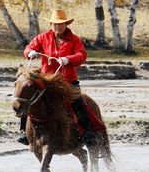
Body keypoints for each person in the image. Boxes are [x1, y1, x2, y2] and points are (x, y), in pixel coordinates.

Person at [19, 9, 94, 145]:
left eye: (60, 24)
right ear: (51, 25)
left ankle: (88, 132)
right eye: (54, 24)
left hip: (67, 81)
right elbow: (28, 48)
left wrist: (67, 59)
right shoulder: (43, 37)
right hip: (45, 79)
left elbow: (81, 55)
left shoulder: (74, 40)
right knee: (27, 97)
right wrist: (31, 52)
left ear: (66, 24)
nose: (57, 26)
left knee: (78, 103)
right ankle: (24, 132)